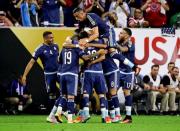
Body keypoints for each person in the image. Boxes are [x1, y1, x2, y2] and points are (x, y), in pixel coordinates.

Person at [22, 31, 59, 108]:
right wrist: (24, 76)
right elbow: (31, 62)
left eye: (53, 37)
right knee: (52, 94)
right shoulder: (40, 49)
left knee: (65, 90)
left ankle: (65, 110)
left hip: (59, 72)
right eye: (50, 38)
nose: (52, 39)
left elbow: (58, 59)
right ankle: (52, 112)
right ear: (45, 39)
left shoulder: (56, 46)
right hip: (49, 74)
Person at [116, 28, 135, 123]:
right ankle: (115, 115)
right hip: (120, 71)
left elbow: (123, 49)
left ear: (127, 35)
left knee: (127, 93)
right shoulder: (119, 42)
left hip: (128, 72)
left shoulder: (130, 43)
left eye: (121, 33)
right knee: (112, 92)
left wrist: (113, 43)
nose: (119, 34)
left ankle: (128, 117)